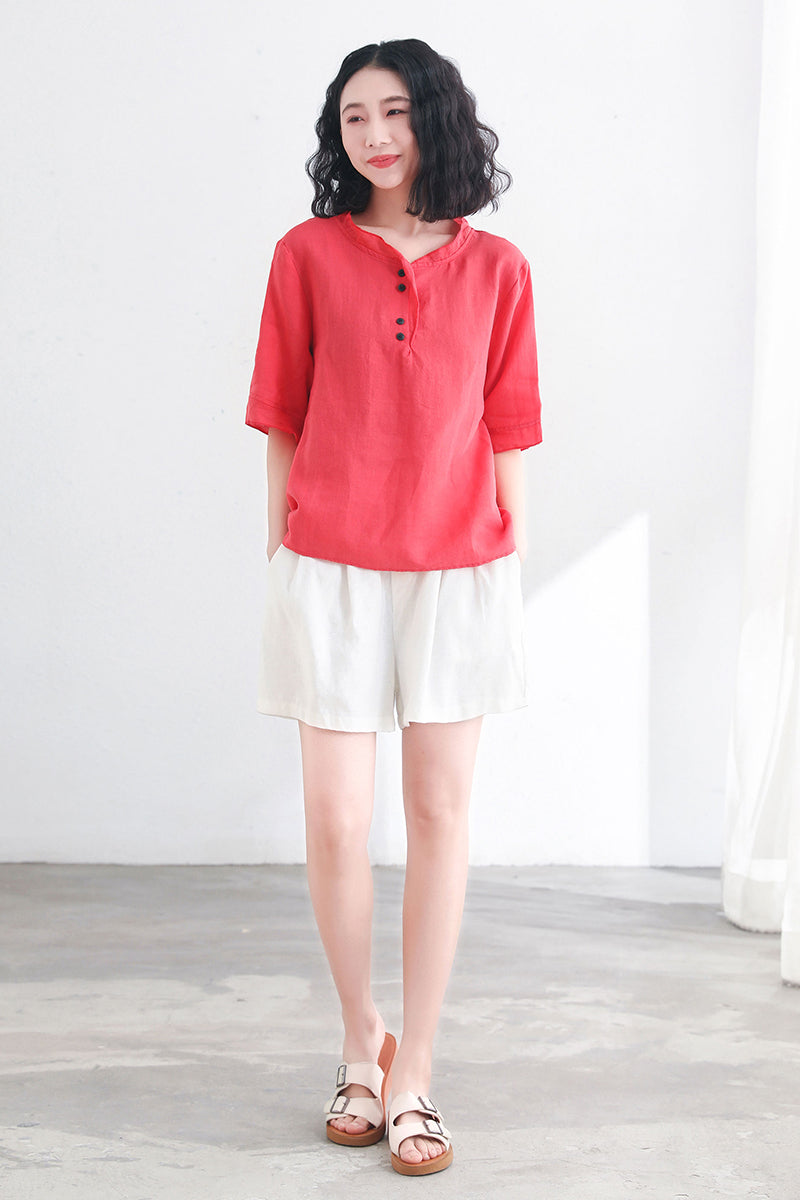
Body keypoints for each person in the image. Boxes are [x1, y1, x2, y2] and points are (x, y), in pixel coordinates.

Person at [245, 38, 542, 1177]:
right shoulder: (306, 253)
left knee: (437, 816)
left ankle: (414, 1069)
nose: (374, 135)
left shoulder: (500, 268)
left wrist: (505, 561)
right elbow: (281, 415)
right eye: (354, 117)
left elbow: (510, 425)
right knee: (333, 820)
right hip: (329, 565)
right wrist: (281, 551)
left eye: (396, 112)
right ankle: (356, 1041)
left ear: (436, 120)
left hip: (458, 570)